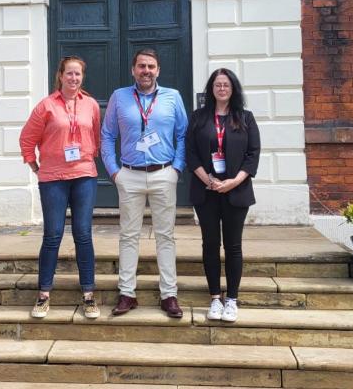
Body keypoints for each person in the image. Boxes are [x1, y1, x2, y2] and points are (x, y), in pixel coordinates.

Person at [101, 48, 188, 318]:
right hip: (130, 174)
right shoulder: (119, 97)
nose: (146, 71)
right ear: (133, 70)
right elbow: (106, 136)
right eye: (141, 66)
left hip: (164, 174)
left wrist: (177, 168)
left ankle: (169, 294)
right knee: (128, 236)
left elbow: (183, 135)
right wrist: (115, 172)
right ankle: (127, 293)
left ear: (158, 70)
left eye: (151, 66)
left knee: (165, 236)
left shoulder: (173, 97)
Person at [20, 56, 101, 320]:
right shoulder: (46, 106)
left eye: (78, 74)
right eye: (69, 74)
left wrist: (88, 155)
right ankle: (44, 293)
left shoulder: (90, 105)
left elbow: (96, 136)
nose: (74, 79)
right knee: (53, 235)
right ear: (60, 76)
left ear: (82, 77)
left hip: (84, 176)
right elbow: (27, 138)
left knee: (83, 234)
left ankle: (88, 294)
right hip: (53, 178)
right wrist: (34, 165)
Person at [186, 68, 260, 322]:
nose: (221, 88)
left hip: (235, 192)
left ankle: (232, 299)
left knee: (233, 246)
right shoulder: (198, 117)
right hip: (206, 191)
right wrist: (209, 180)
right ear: (211, 89)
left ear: (233, 88)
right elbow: (191, 153)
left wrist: (232, 181)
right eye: (217, 85)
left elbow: (253, 155)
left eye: (226, 84)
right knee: (210, 244)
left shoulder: (245, 118)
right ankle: (215, 298)